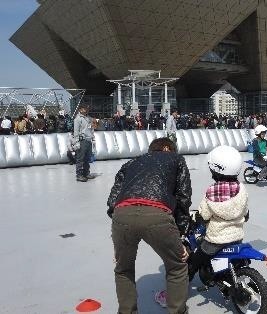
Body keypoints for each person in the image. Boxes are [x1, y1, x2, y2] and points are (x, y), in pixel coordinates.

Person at [107, 137, 192, 314]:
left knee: (123, 269)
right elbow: (183, 198)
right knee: (177, 267)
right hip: (157, 214)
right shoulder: (176, 159)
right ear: (168, 148)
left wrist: (117, 240)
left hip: (122, 215)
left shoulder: (131, 162)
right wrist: (181, 237)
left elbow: (113, 200)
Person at [188, 146, 248, 281]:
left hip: (216, 240)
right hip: (237, 236)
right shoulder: (242, 188)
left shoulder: (211, 191)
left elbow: (204, 215)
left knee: (194, 262)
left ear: (216, 169)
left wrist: (196, 217)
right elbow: (245, 211)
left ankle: (185, 279)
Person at [73, 104, 95, 182]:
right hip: (82, 140)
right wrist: (77, 142)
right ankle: (79, 175)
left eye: (87, 108)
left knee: (87, 158)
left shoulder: (88, 118)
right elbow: (76, 132)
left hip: (88, 140)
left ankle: (86, 173)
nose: (86, 110)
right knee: (80, 158)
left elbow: (91, 129)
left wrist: (93, 137)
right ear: (80, 109)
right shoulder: (78, 119)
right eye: (84, 108)